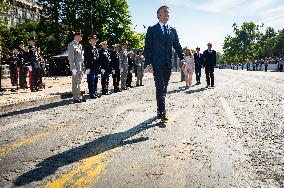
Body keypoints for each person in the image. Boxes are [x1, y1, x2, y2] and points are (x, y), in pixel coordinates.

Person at [144, 5, 184, 121]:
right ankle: (162, 112)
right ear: (158, 15)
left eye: (168, 13)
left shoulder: (173, 30)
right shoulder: (152, 29)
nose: (167, 14)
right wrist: (149, 63)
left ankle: (159, 107)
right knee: (160, 86)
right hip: (156, 64)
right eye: (164, 12)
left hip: (168, 64)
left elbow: (177, 46)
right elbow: (148, 48)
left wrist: (182, 59)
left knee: (164, 87)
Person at [68, 29, 84, 103]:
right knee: (75, 83)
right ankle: (75, 98)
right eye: (80, 36)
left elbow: (81, 58)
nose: (81, 37)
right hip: (75, 68)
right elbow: (71, 58)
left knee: (79, 82)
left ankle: (79, 96)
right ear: (76, 36)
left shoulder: (79, 45)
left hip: (80, 67)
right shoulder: (71, 45)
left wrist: (83, 67)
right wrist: (73, 68)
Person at [84, 34, 100, 99]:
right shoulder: (87, 48)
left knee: (95, 80)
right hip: (91, 67)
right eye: (94, 40)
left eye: (95, 40)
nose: (95, 41)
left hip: (96, 67)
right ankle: (92, 93)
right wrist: (87, 68)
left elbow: (97, 58)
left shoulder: (95, 48)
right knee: (91, 80)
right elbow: (86, 58)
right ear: (90, 41)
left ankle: (95, 92)